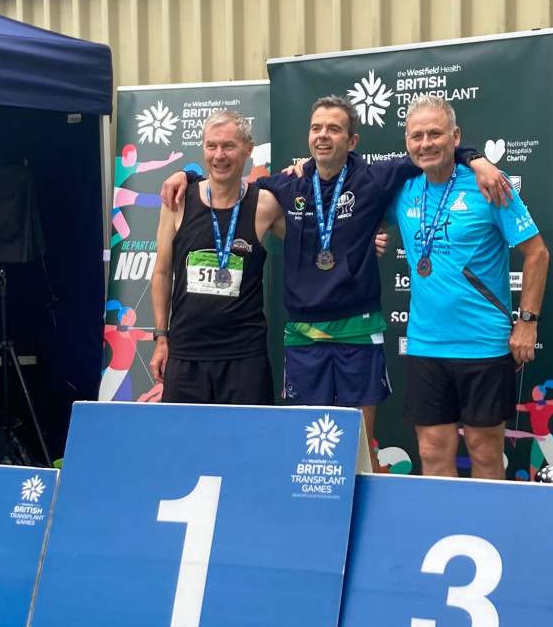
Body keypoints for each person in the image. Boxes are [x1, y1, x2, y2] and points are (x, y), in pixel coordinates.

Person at [163, 96, 510, 470]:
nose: (323, 135)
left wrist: (476, 159)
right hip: (303, 335)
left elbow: (432, 152)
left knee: (359, 448)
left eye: (333, 129)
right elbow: (227, 178)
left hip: (358, 331)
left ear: (353, 140)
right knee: (307, 448)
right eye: (316, 128)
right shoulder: (285, 184)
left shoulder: (376, 177)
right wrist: (189, 173)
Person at [386, 94, 549, 479]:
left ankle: (485, 535)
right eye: (416, 136)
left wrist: (527, 322)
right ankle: (442, 534)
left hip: (483, 344)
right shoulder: (403, 189)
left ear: (455, 136)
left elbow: (537, 254)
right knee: (431, 449)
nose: (426, 143)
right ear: (407, 143)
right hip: (427, 344)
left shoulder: (489, 184)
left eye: (435, 133)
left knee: (485, 451)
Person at [149, 110, 284, 405]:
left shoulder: (265, 205)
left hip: (244, 357)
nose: (219, 155)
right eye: (211, 146)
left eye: (228, 146)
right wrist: (161, 337)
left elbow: (311, 237)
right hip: (186, 354)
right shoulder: (178, 201)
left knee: (246, 447)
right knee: (185, 447)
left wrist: (368, 238)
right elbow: (161, 272)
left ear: (248, 149)